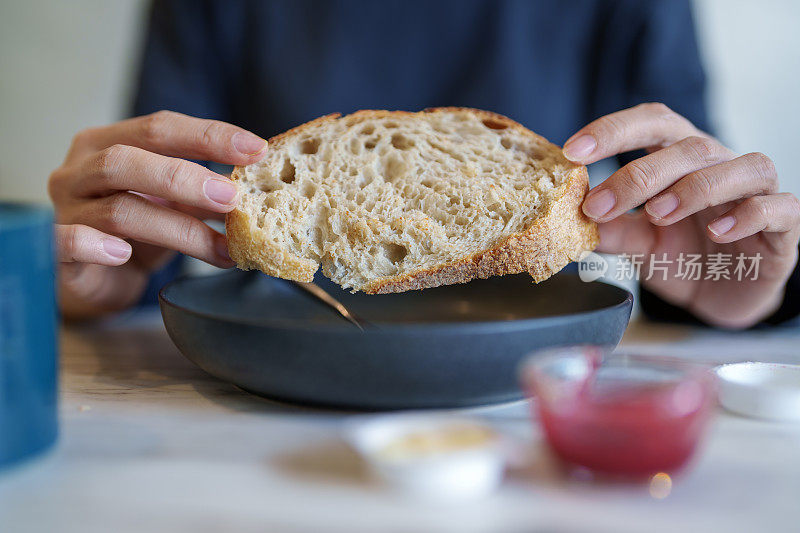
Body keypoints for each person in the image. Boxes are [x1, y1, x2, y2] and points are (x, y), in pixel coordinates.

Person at [48, 0, 800, 328]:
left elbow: (696, 217)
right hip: (267, 390)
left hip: (534, 403)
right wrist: (102, 277)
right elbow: (160, 236)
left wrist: (732, 289)